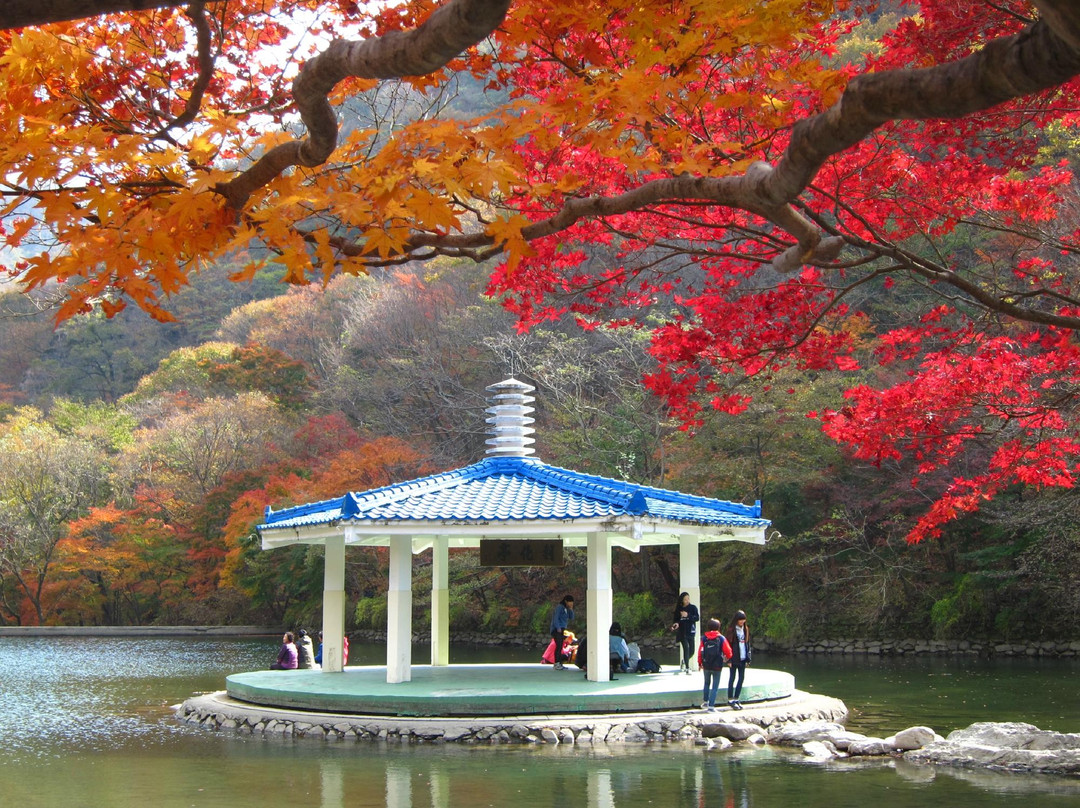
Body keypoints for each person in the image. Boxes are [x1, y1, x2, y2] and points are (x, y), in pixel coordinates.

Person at [698, 618, 733, 711]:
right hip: (717, 665)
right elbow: (728, 651)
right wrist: (728, 658)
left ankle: (705, 702)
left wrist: (700, 663)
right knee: (715, 686)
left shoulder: (704, 638)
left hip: (706, 664)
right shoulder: (721, 638)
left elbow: (700, 651)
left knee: (706, 683)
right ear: (718, 627)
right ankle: (711, 707)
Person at [725, 609, 753, 709]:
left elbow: (747, 644)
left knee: (741, 678)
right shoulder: (731, 630)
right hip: (733, 658)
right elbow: (727, 645)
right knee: (732, 678)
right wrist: (728, 659)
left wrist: (748, 658)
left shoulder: (745, 629)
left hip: (742, 657)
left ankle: (736, 698)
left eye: (743, 620)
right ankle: (730, 699)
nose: (742, 622)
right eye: (740, 620)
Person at [670, 592, 699, 674]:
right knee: (686, 648)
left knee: (692, 651)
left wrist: (688, 615)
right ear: (682, 600)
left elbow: (697, 618)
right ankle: (687, 667)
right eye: (685, 599)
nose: (687, 601)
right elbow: (676, 620)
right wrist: (675, 624)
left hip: (691, 631)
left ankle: (684, 661)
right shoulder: (678, 609)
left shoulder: (693, 608)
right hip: (682, 632)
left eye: (688, 599)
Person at [549, 594, 575, 670]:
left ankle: (559, 663)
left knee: (560, 646)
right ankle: (556, 663)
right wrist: (558, 627)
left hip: (562, 629)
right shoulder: (560, 607)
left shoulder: (566, 608)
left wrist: (571, 609)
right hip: (557, 629)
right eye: (570, 602)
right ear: (566, 601)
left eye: (572, 602)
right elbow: (556, 618)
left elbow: (572, 617)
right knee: (559, 646)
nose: (571, 603)